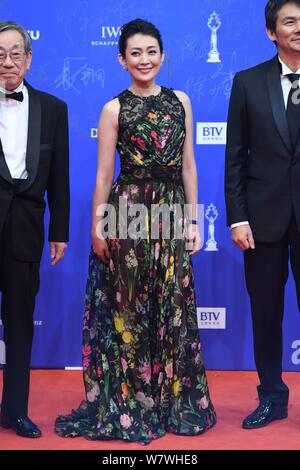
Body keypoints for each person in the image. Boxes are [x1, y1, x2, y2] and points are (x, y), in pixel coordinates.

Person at [55, 18, 216, 445]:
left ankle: (169, 401)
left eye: (151, 52)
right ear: (122, 58)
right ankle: (132, 400)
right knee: (128, 307)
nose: (144, 60)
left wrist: (195, 220)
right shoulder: (114, 108)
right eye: (135, 53)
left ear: (162, 56)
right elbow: (104, 174)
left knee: (172, 306)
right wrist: (97, 227)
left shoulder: (180, 101)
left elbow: (188, 166)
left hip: (170, 210)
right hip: (128, 212)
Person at [225, 0, 300, 429]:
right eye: (289, 21)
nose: (298, 28)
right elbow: (235, 156)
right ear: (272, 32)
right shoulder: (248, 82)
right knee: (266, 313)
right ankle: (271, 396)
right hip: (262, 220)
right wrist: (237, 218)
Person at [0, 22, 70, 438]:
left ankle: (15, 410)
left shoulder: (53, 108)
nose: (6, 62)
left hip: (25, 230)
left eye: (14, 53)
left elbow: (59, 174)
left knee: (20, 322)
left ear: (28, 58)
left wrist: (58, 229)